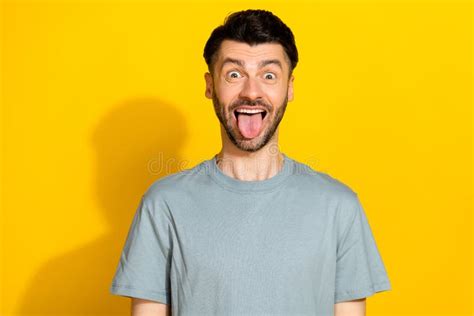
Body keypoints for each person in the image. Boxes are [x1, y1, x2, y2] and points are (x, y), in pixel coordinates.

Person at [109, 9, 391, 316]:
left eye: (269, 75)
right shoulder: (163, 204)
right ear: (209, 85)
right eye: (234, 74)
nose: (251, 92)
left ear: (290, 87)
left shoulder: (339, 206)